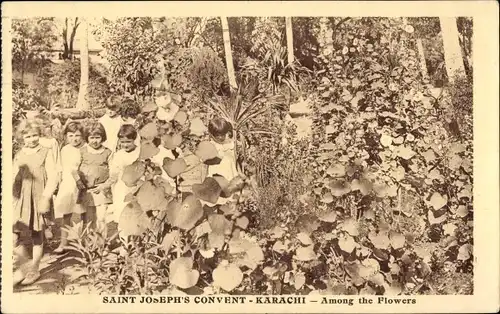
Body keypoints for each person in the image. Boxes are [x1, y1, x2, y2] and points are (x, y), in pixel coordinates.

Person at [12, 120, 58, 285]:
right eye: (27, 136)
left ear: (40, 135)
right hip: (20, 198)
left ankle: (34, 269)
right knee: (13, 236)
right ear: (21, 137)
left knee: (37, 234)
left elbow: (53, 176)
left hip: (39, 196)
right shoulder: (19, 154)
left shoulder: (46, 152)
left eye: (35, 135)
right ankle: (24, 267)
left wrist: (46, 197)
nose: (31, 139)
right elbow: (13, 176)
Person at [93, 124, 140, 223]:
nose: (125, 145)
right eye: (123, 142)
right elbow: (114, 175)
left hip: (138, 187)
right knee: (122, 215)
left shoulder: (139, 153)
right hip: (122, 189)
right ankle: (123, 237)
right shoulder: (118, 155)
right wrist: (103, 186)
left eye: (128, 142)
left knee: (137, 217)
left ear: (134, 140)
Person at [53, 121, 87, 254]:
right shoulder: (65, 149)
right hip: (68, 183)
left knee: (84, 213)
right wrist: (58, 184)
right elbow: (61, 168)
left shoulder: (85, 148)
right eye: (71, 135)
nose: (74, 138)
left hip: (82, 183)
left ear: (82, 135)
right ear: (66, 136)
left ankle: (85, 240)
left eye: (77, 135)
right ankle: (63, 243)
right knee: (66, 214)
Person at [77, 122, 113, 228]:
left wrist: (104, 186)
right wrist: (79, 182)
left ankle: (101, 242)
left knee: (101, 217)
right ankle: (90, 242)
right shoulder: (82, 151)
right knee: (89, 218)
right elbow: (74, 169)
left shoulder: (107, 152)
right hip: (87, 189)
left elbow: (113, 172)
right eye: (92, 137)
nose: (95, 141)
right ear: (87, 137)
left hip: (102, 188)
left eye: (98, 137)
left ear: (102, 137)